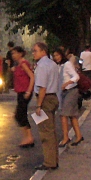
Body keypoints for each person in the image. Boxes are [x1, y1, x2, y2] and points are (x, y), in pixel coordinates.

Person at [32, 42, 60, 171]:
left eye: (35, 51)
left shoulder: (42, 66)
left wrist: (38, 105)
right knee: (51, 131)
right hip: (53, 96)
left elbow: (42, 87)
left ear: (43, 51)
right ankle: (53, 159)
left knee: (45, 132)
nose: (33, 53)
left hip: (45, 99)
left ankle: (49, 162)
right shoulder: (52, 64)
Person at [55, 48, 83, 147]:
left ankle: (66, 137)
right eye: (54, 56)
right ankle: (79, 136)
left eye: (58, 55)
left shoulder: (67, 64)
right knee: (72, 115)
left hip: (71, 90)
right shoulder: (59, 66)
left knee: (63, 114)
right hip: (64, 92)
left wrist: (67, 83)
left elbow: (76, 77)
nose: (56, 57)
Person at [10, 46, 35, 147]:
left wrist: (29, 91)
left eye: (15, 53)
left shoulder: (24, 64)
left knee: (20, 115)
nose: (13, 55)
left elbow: (32, 77)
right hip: (20, 92)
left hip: (25, 92)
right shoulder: (18, 64)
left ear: (20, 53)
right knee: (20, 115)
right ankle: (28, 137)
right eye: (12, 53)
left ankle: (29, 137)